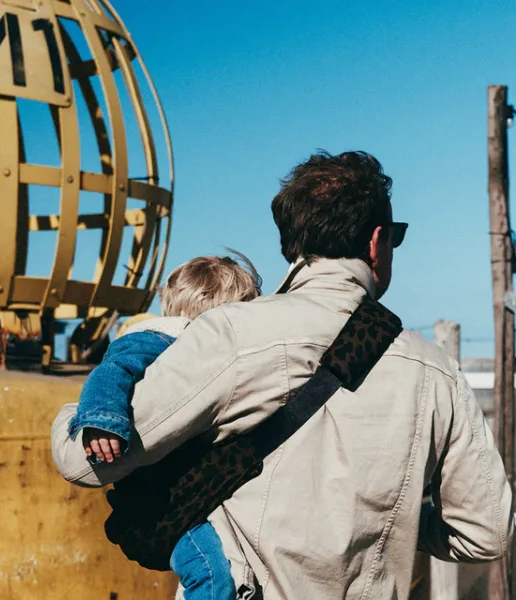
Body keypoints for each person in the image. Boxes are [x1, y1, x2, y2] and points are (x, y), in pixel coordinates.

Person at [53, 151, 513, 600]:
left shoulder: (232, 334)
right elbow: (485, 533)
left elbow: (85, 463)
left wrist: (71, 413)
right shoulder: (437, 371)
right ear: (377, 243)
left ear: (291, 242)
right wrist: (393, 518)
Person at [52, 252, 262, 600]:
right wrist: (103, 422)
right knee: (210, 573)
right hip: (162, 502)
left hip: (179, 493)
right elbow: (110, 372)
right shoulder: (156, 341)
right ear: (223, 315)